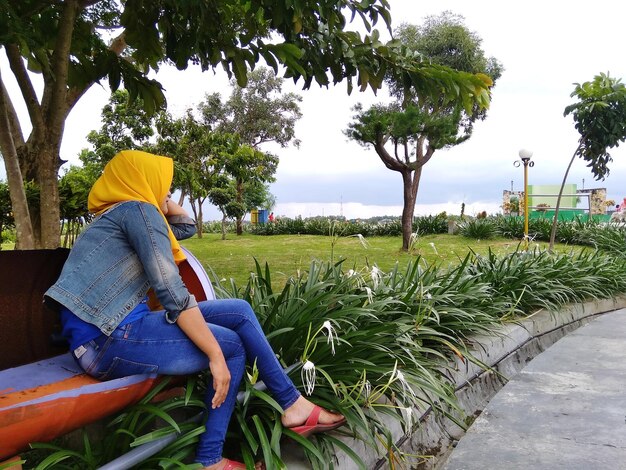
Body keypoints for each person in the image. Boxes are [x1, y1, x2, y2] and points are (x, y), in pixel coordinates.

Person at [44, 150, 345, 470]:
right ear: (143, 180)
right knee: (230, 348)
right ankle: (210, 460)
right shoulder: (138, 212)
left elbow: (183, 228)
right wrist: (214, 355)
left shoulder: (118, 214)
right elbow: (171, 291)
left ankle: (292, 403)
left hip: (104, 333)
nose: (167, 192)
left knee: (240, 311)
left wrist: (164, 201)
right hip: (107, 338)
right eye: (162, 183)